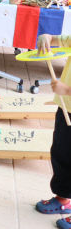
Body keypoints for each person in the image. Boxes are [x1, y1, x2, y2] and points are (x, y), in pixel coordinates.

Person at [35, 33, 71, 228]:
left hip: (67, 98)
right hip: (66, 108)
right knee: (61, 152)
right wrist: (46, 38)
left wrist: (67, 90)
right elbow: (57, 39)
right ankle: (63, 199)